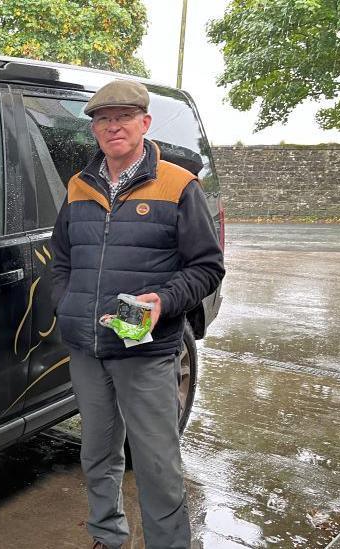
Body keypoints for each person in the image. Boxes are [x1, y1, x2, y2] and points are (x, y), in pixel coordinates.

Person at [49, 79, 225, 549]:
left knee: (156, 461)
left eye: (123, 117)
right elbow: (61, 257)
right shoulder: (79, 185)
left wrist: (164, 302)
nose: (113, 127)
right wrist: (67, 303)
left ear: (144, 123)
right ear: (95, 131)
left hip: (146, 350)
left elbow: (207, 267)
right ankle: (108, 535)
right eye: (103, 120)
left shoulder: (178, 185)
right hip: (89, 349)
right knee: (98, 452)